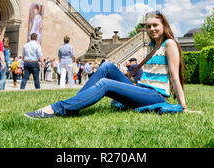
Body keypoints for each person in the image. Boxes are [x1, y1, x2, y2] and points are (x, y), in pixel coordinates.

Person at [23, 11, 197, 118]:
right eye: (149, 26)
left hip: (154, 95)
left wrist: (183, 106)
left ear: (164, 25)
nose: (151, 29)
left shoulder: (170, 44)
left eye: (155, 25)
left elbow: (174, 76)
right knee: (106, 66)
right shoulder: (152, 45)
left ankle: (59, 109)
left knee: (106, 84)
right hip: (142, 89)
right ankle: (74, 104)